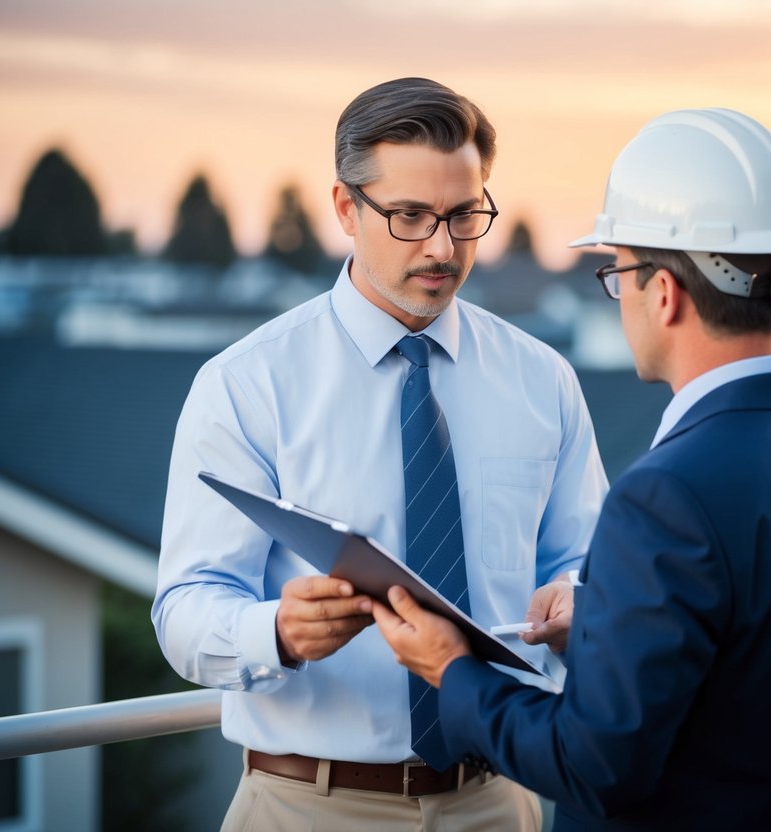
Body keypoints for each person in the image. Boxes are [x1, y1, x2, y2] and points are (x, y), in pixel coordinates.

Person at [373, 108, 771, 831]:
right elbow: (753, 654)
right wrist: (601, 622)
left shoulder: (666, 495)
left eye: (614, 270)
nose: (616, 293)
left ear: (663, 292)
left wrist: (452, 672)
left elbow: (592, 768)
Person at [152, 77, 608, 831]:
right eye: (408, 216)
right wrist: (274, 632)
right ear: (343, 209)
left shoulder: (544, 380)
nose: (441, 246)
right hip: (305, 808)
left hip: (500, 801)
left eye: (464, 215)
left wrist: (577, 599)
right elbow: (183, 609)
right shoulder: (246, 385)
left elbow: (585, 562)